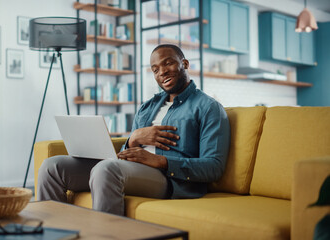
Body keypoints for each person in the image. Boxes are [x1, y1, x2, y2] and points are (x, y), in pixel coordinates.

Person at [37, 44, 230, 216]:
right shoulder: (148, 106)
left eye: (168, 63)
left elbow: (213, 167)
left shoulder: (208, 107)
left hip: (171, 180)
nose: (161, 72)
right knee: (51, 167)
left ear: (185, 64)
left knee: (107, 169)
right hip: (132, 170)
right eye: (155, 69)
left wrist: (160, 161)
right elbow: (125, 156)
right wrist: (133, 140)